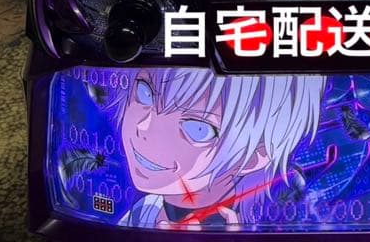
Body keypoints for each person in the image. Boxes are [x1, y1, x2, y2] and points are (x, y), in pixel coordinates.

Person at [115, 68, 325, 229]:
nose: (144, 127)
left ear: (255, 156)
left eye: (198, 129)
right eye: (145, 93)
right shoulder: (146, 210)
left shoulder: (265, 224)